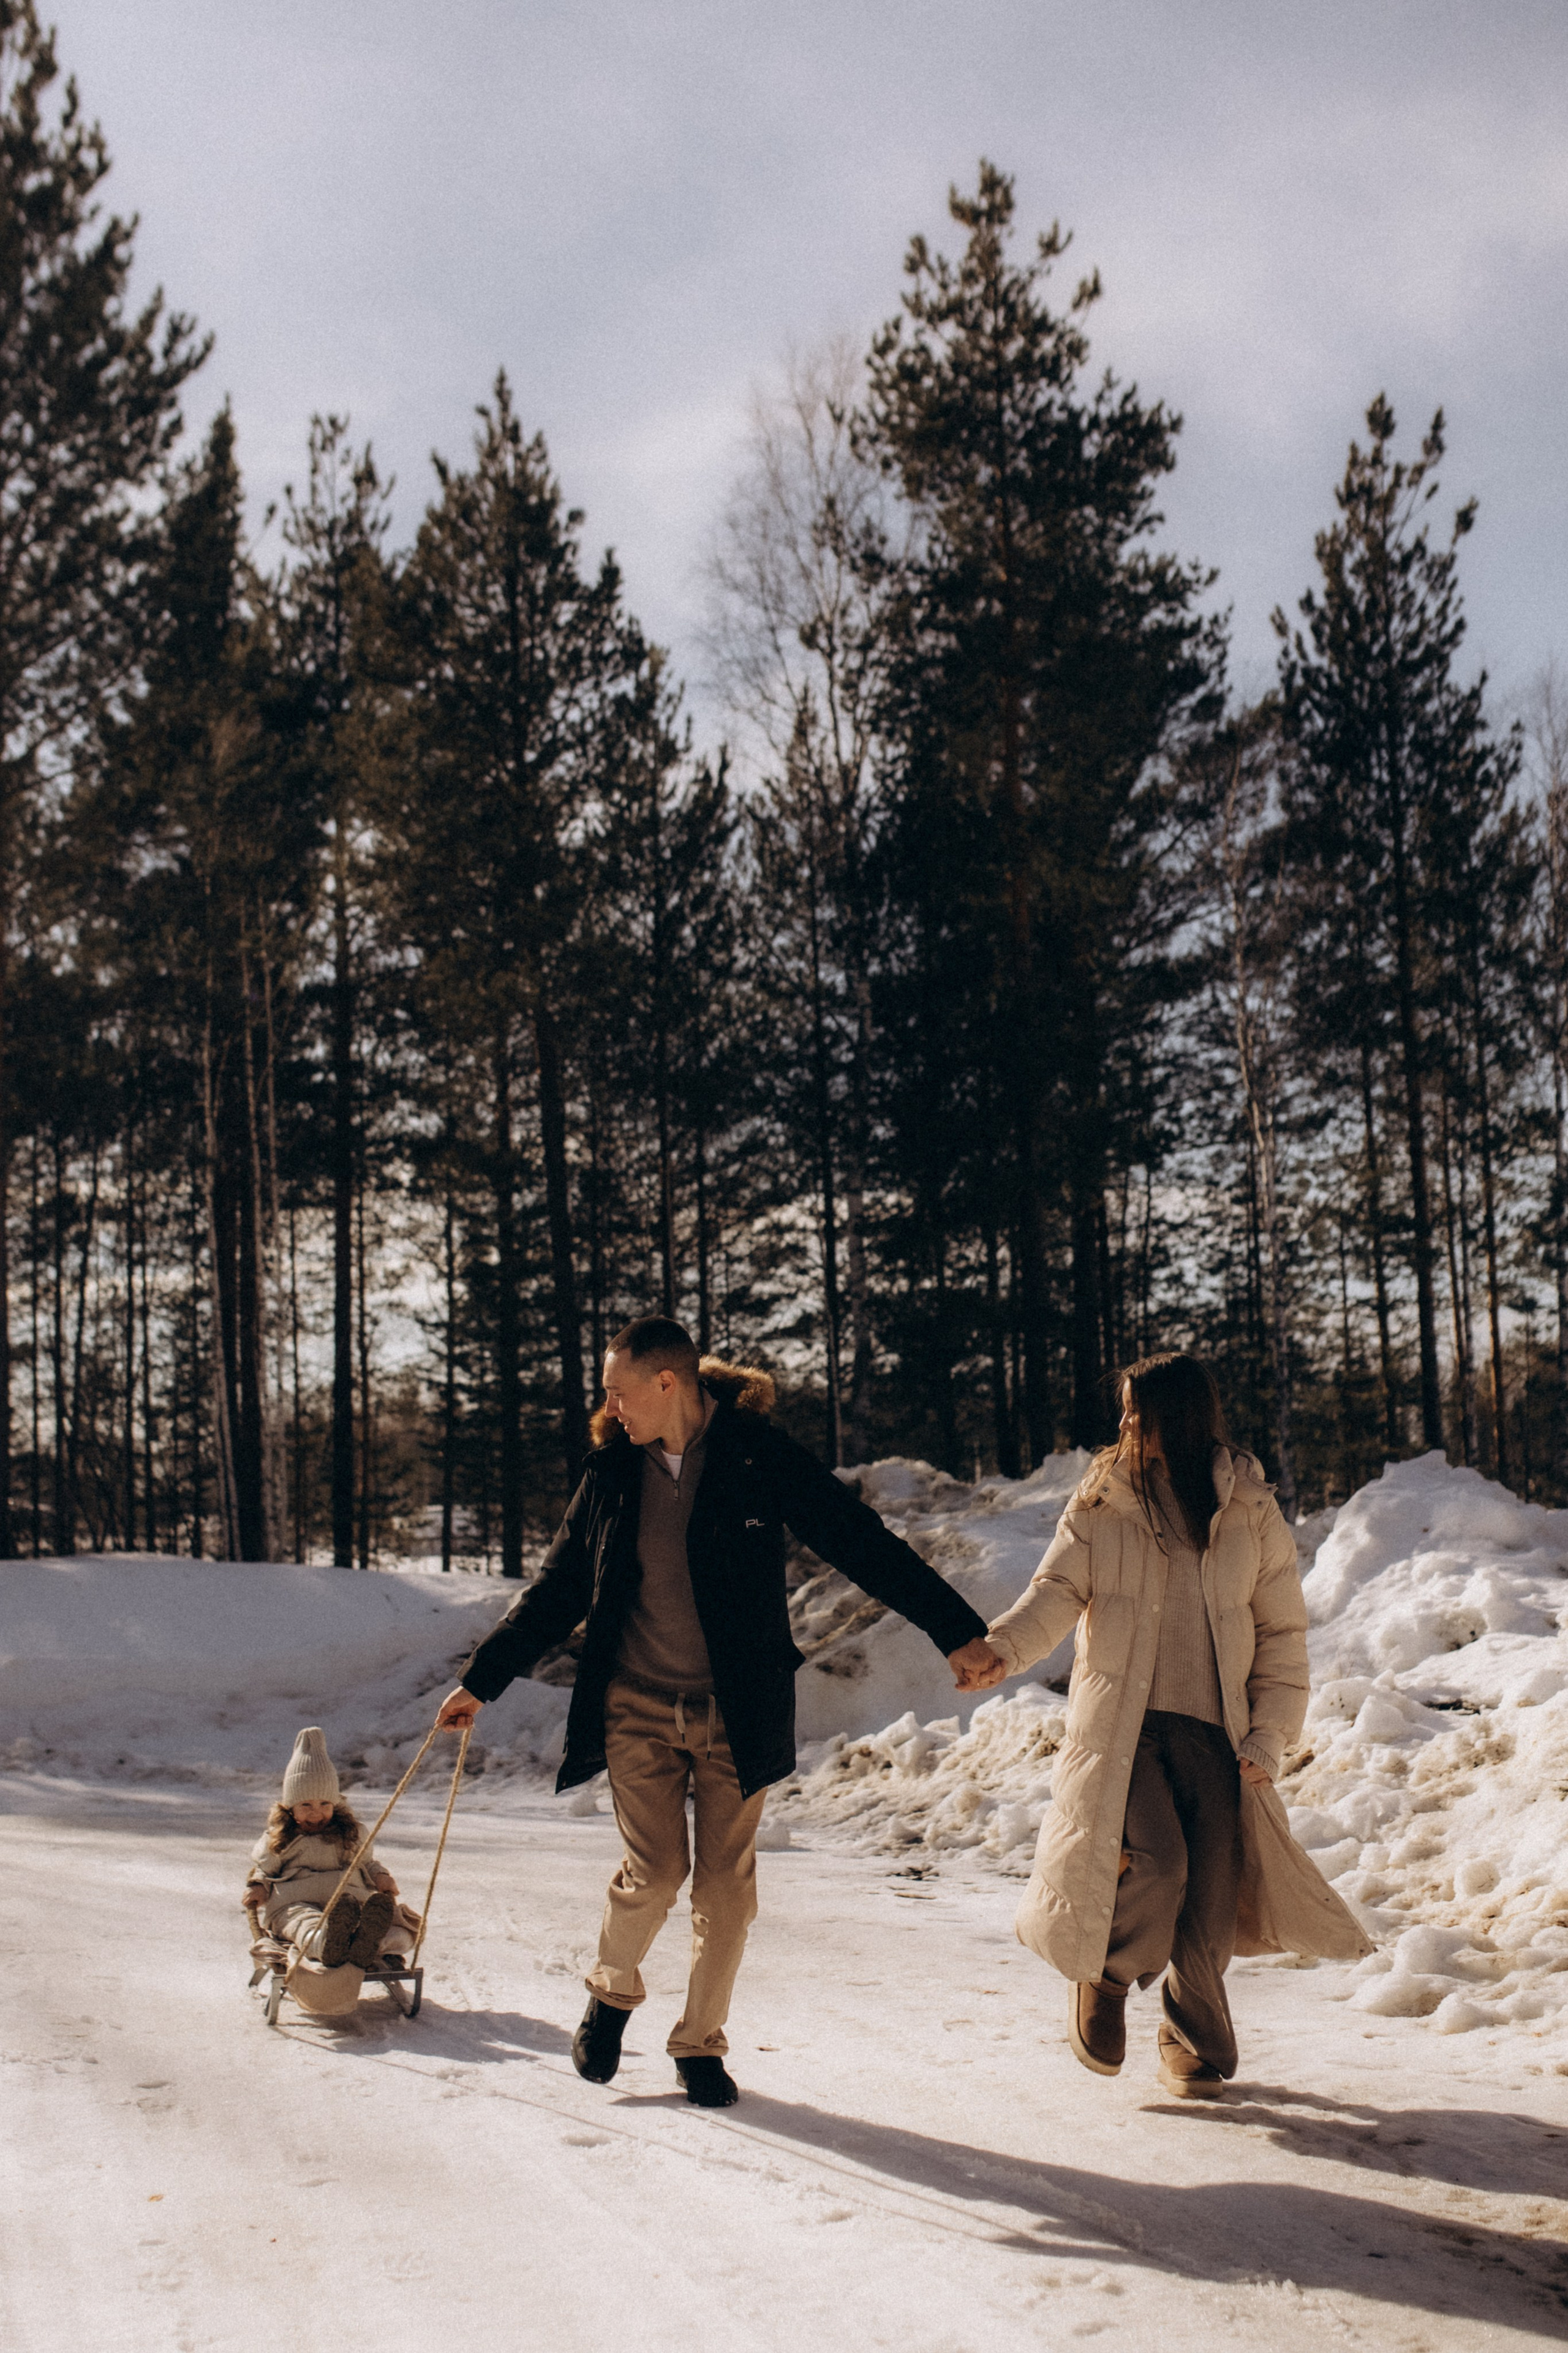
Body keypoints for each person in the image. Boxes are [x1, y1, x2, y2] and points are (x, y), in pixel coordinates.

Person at [435, 1316, 995, 2108]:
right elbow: (555, 1592)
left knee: (725, 1890)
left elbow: (859, 1540)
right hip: (635, 1705)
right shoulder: (611, 1476)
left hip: (738, 1707)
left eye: (617, 1390)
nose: (608, 1406)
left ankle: (699, 2043)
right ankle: (612, 1988)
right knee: (656, 1870)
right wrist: (480, 1681)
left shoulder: (758, 1457)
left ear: (668, 1383)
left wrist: (956, 1629)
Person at [955, 1351, 1370, 2097]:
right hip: (1127, 1729)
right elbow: (1055, 1588)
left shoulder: (1248, 1506)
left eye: (1134, 1410)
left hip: (1218, 1734)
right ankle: (1107, 1978)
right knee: (1160, 1865)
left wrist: (1268, 1736)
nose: (1123, 1426)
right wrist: (1003, 1648)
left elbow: (1282, 1634)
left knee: (1209, 1907)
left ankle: (1190, 2034)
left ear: (1175, 1416)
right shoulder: (1104, 1500)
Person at [242, 1726, 413, 1971]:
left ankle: (367, 1941)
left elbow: (365, 1862)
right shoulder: (280, 1838)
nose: (316, 1813)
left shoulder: (349, 1833)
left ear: (335, 1803)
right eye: (306, 1805)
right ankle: (326, 1944)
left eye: (325, 1803)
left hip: (349, 1900)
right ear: (290, 1807)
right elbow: (264, 1870)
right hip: (296, 1902)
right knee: (303, 1924)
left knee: (397, 1926)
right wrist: (258, 1886)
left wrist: (380, 1875)